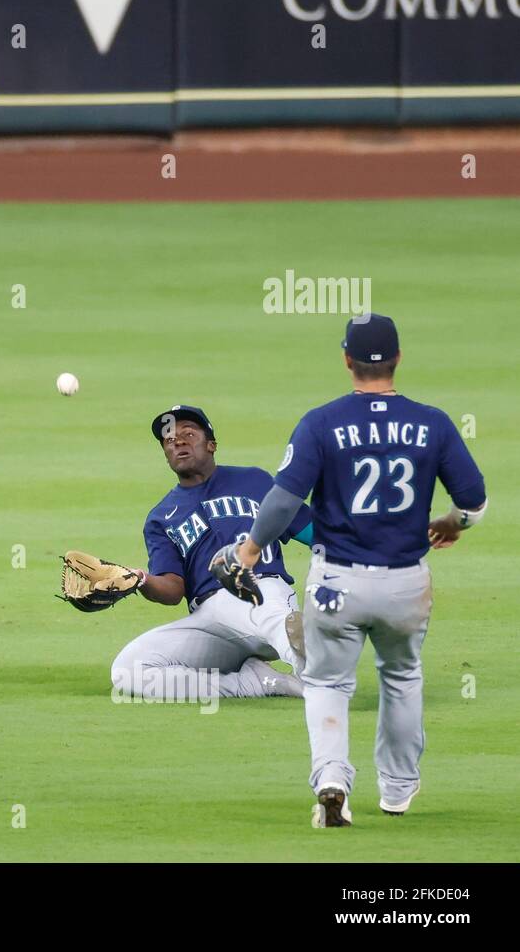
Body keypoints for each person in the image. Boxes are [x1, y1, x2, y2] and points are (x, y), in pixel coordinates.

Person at [217, 314, 487, 826]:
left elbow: (282, 501)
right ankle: (398, 792)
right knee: (402, 678)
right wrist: (451, 523)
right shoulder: (433, 423)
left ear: (347, 360)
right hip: (406, 583)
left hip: (336, 583)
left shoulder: (321, 422)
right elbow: (473, 504)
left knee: (327, 684)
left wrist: (250, 550)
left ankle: (333, 780)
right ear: (399, 358)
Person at [107, 405, 313, 701]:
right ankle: (261, 683)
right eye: (168, 440)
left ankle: (317, 675)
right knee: (128, 671)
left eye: (188, 434)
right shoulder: (161, 518)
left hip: (261, 588)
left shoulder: (255, 481)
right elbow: (172, 589)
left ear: (211, 444)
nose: (177, 441)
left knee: (272, 614)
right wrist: (139, 580)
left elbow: (311, 531)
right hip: (212, 623)